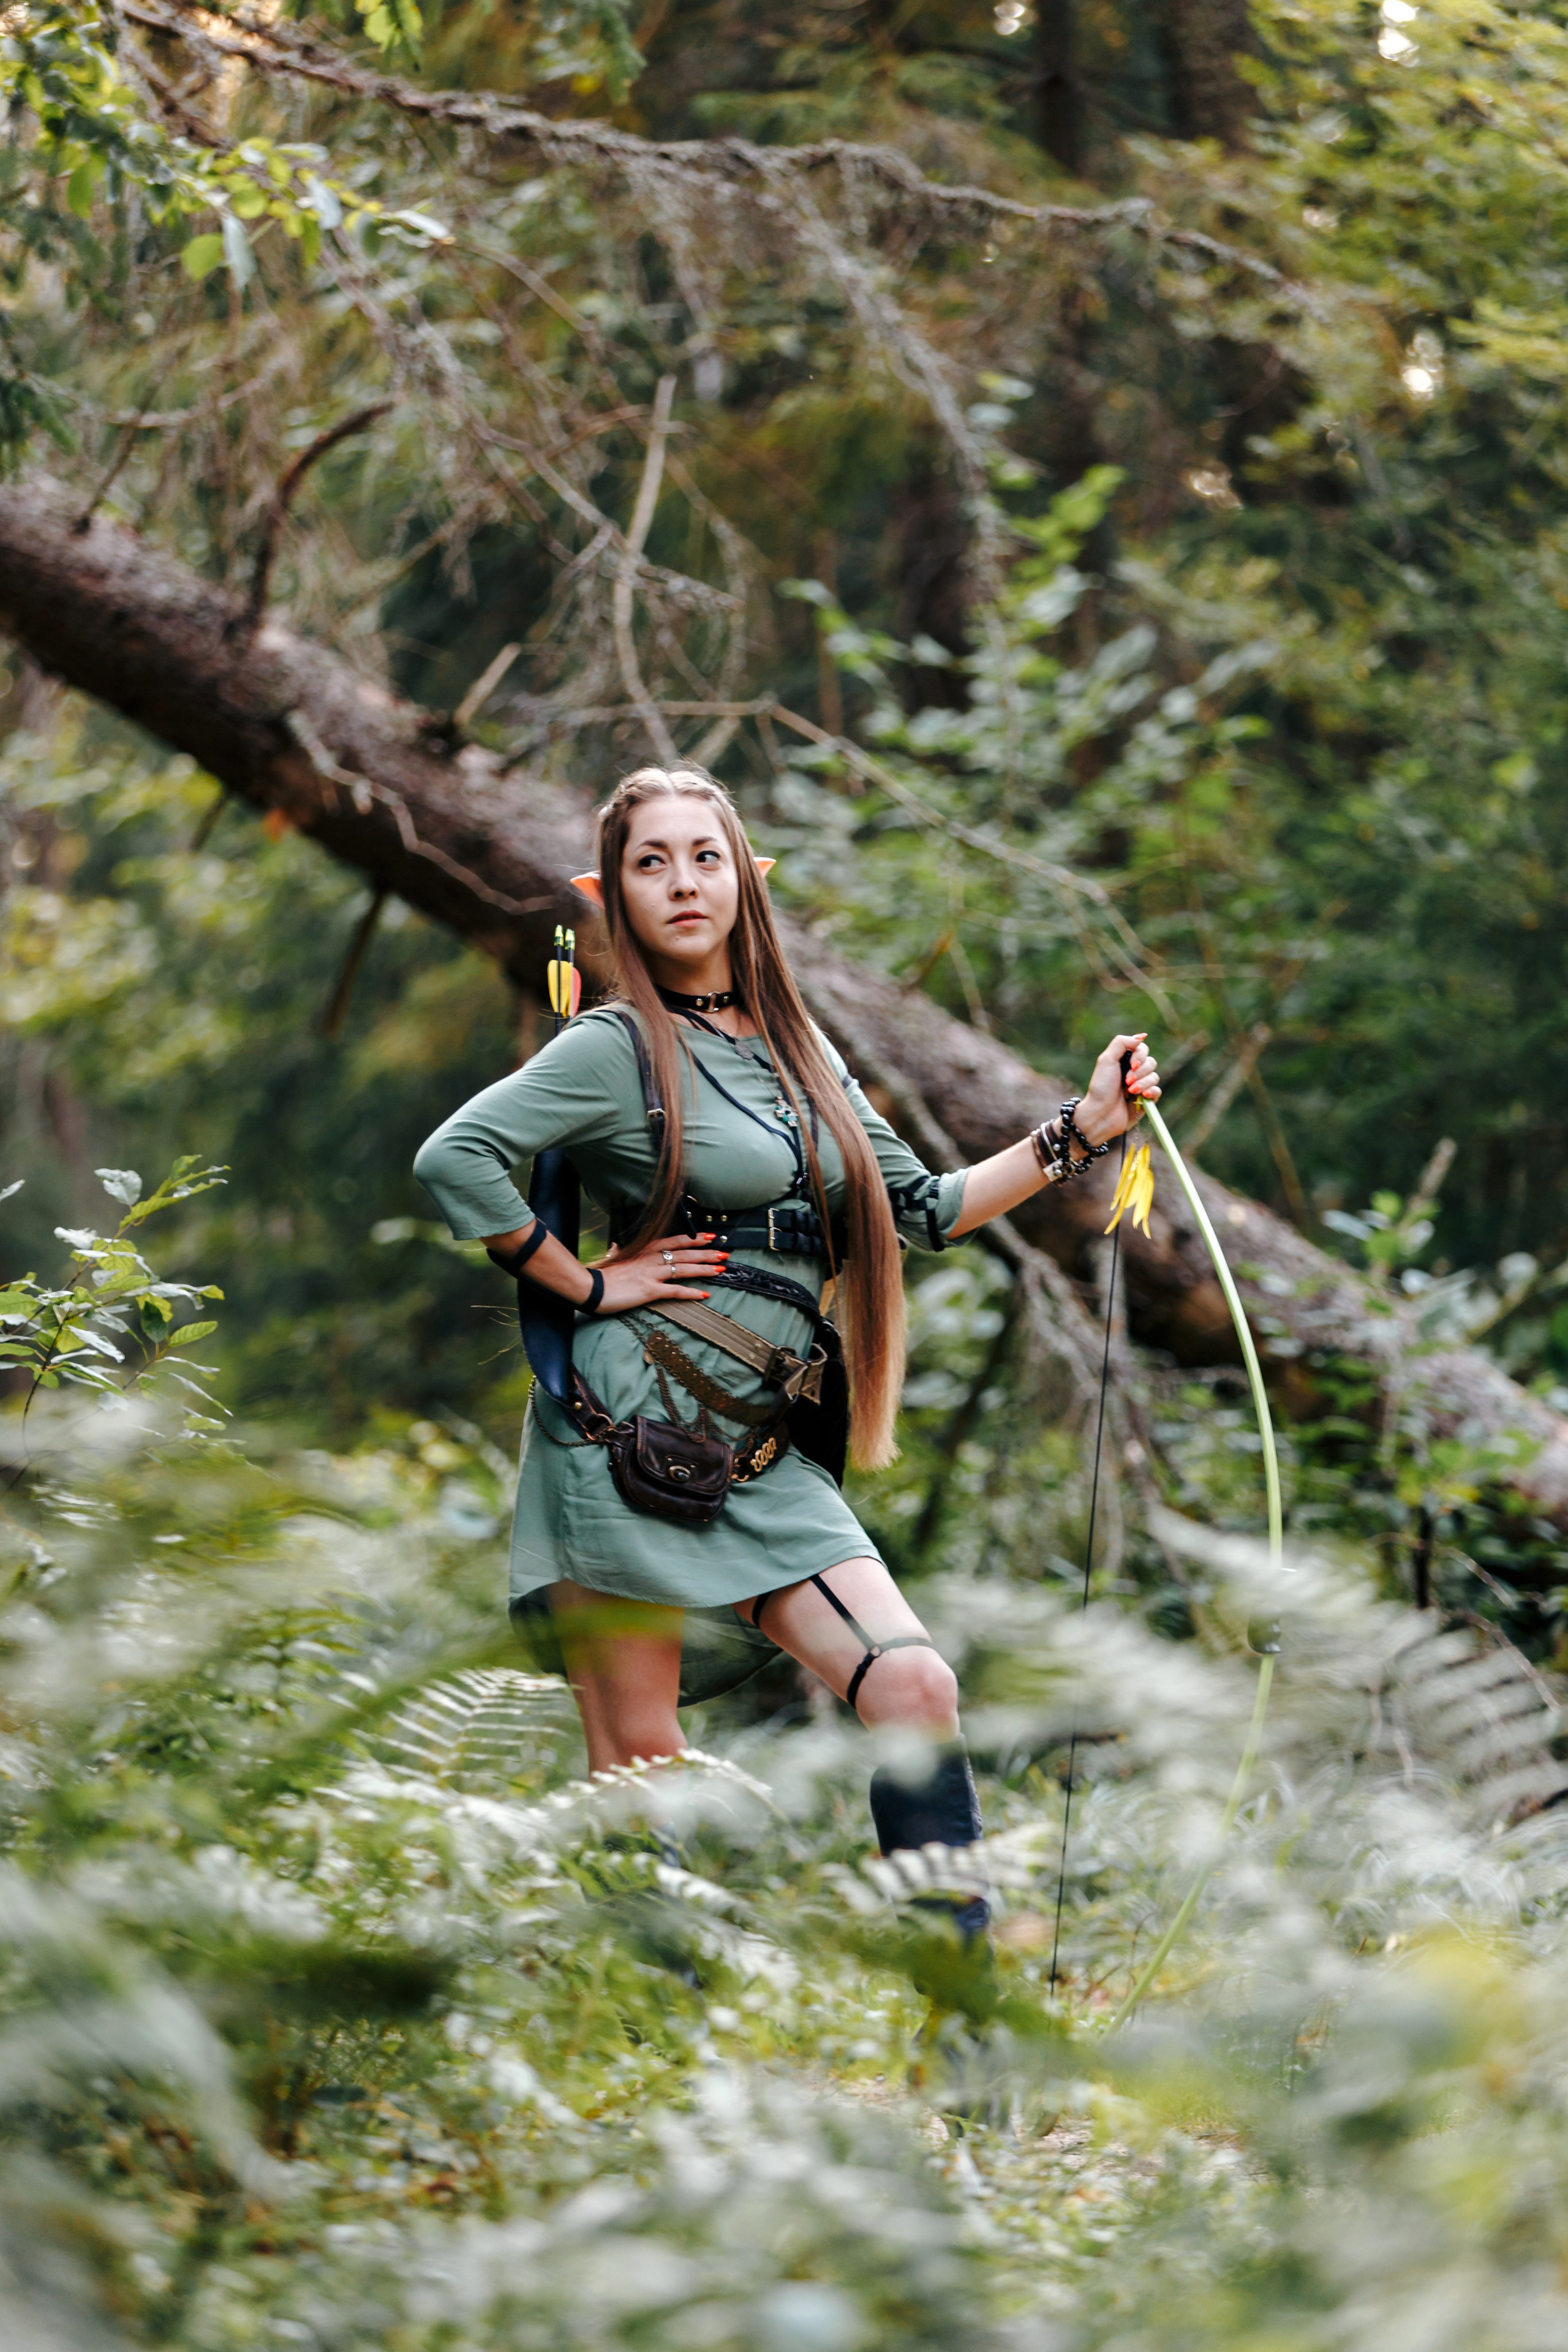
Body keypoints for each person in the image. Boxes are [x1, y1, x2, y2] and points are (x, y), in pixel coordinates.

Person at [413, 764, 1159, 1939]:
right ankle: (657, 2062)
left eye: (704, 856)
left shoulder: (800, 1049)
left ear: (745, 882)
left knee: (913, 1683)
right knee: (640, 1769)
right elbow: (455, 1157)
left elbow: (921, 1207)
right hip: (630, 1438)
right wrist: (587, 1280)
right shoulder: (614, 1048)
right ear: (613, 898)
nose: (682, 883)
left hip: (768, 1454)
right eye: (650, 863)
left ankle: (960, 2026)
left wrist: (1080, 1132)